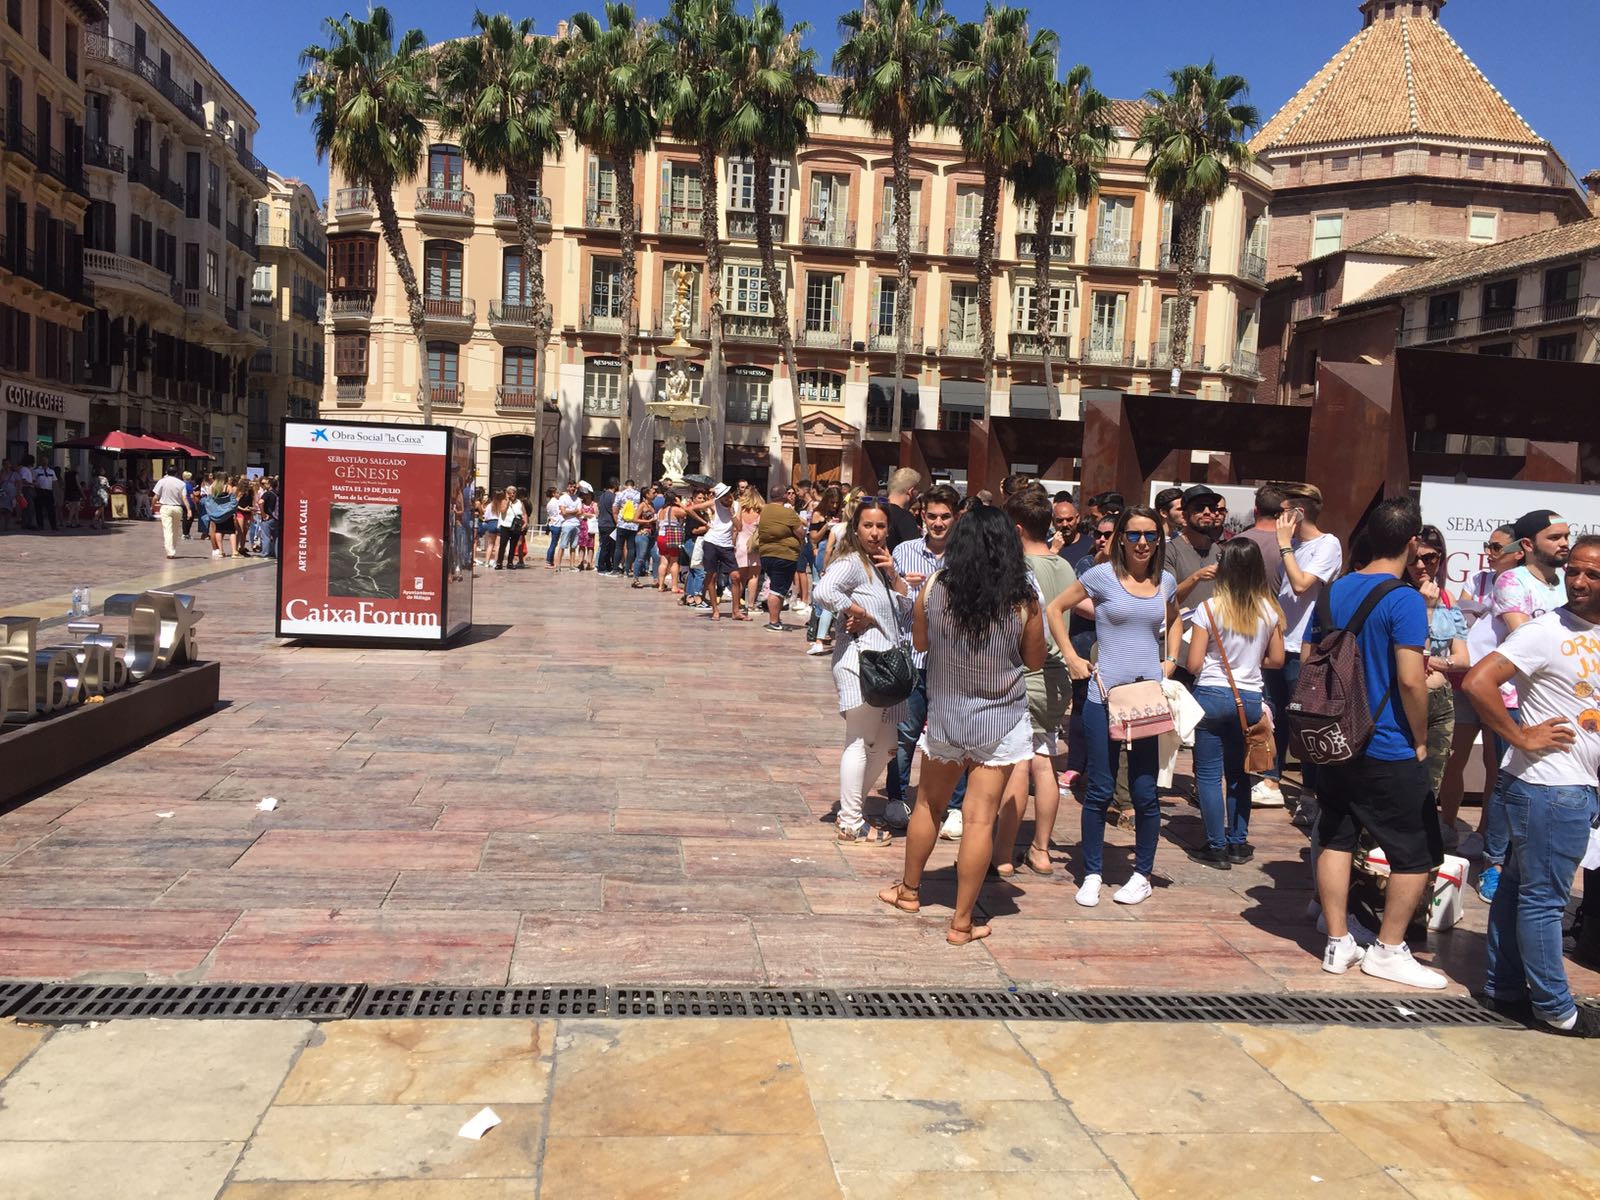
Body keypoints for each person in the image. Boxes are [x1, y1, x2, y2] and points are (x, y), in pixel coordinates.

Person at [880, 503, 1045, 943]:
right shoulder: (1022, 598)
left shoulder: (934, 586)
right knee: (978, 821)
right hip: (1001, 719)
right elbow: (1034, 659)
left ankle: (910, 891)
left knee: (929, 807)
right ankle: (962, 922)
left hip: (948, 717)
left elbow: (919, 641)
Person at [1464, 534, 1600, 1036]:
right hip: (1549, 787)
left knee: (1518, 890)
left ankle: (1504, 988)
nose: (1580, 581)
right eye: (1575, 570)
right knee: (1545, 900)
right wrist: (1518, 734)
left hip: (1567, 787)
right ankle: (1556, 1007)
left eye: (1593, 574)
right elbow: (1479, 681)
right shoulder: (1546, 631)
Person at [1311, 496, 1447, 990]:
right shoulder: (1404, 598)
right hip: (1385, 740)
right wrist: (1419, 737)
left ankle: (1337, 940)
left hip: (1332, 738)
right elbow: (1412, 680)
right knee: (1416, 851)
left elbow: (1310, 657)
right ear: (1413, 543)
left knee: (1337, 834)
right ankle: (1388, 950)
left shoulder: (1333, 591)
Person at [1046, 505, 1182, 907]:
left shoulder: (1165, 581)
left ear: (1160, 540)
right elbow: (1055, 609)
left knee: (1144, 790)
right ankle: (1091, 872)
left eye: (1151, 535)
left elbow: (1174, 619)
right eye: (1135, 534)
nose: (1143, 542)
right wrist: (1070, 655)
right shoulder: (1101, 576)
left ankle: (1142, 874)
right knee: (1100, 788)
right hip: (1101, 694)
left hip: (1144, 699)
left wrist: (1171, 659)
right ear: (1121, 537)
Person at [1479, 508, 1572, 902]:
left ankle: (1529, 865)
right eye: (1555, 537)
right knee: (1509, 783)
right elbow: (1528, 638)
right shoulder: (1511, 581)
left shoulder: (1571, 584)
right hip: (1515, 700)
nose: (1565, 544)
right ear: (1530, 545)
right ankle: (1494, 865)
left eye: (1568, 536)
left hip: (1563, 698)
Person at [814, 498, 913, 847]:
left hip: (884, 666)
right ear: (856, 528)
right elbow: (824, 591)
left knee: (886, 744)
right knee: (859, 739)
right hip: (860, 664)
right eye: (868, 525)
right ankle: (852, 820)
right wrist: (856, 611)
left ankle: (851, 806)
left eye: (881, 526)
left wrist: (894, 577)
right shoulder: (853, 562)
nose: (875, 532)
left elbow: (902, 612)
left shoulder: (879, 566)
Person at [1185, 540, 1286, 868]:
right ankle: (1238, 842)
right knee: (1242, 772)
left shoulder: (1210, 608)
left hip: (1212, 695)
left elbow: (1194, 663)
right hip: (1251, 699)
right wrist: (1251, 662)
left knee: (1210, 775)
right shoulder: (1270, 611)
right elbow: (1278, 659)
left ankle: (1215, 846)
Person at [994, 486, 1075, 877]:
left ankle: (1004, 852)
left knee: (1018, 763)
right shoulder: (1064, 566)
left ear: (1018, 526)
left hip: (1028, 672)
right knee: (1045, 760)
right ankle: (1040, 849)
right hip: (1060, 679)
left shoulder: (1021, 569)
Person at [887, 485, 967, 830]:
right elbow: (886, 599)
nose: (938, 523)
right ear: (922, 516)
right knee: (904, 733)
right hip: (911, 658)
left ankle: (954, 805)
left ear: (957, 517)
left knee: (953, 734)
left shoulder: (966, 554)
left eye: (945, 516)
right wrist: (898, 581)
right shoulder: (903, 552)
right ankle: (896, 798)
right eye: (932, 516)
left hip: (953, 662)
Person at [1260, 482, 1343, 811]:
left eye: (1283, 512)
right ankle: (1271, 779)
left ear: (1299, 512)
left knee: (1306, 722)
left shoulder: (1328, 544)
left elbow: (1302, 583)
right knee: (1275, 716)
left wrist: (1284, 547)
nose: (1278, 519)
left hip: (1306, 646)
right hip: (1281, 641)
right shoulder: (1292, 546)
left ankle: (1311, 793)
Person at [1441, 525, 1523, 840]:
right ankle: (1446, 824)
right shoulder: (1478, 580)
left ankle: (1484, 831)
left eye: (1497, 547)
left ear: (1519, 550)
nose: (1489, 552)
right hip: (1464, 680)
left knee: (1495, 763)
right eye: (1487, 546)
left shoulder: (1522, 585)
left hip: (1501, 687)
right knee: (1454, 756)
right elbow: (1462, 618)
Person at [1408, 525, 1468, 836]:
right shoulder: (1401, 594)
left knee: (1433, 777)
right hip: (1406, 698)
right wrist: (1426, 612)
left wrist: (1433, 661)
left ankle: (1422, 840)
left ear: (1439, 559)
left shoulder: (1447, 598)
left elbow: (1463, 659)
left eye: (1429, 558)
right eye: (1414, 559)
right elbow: (1406, 654)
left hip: (1441, 701)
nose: (1421, 566)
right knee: (1402, 773)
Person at [1166, 484, 1225, 610]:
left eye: (1212, 507)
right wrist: (1196, 577)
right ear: (1185, 515)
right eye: (1199, 508)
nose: (1207, 512)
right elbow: (1166, 598)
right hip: (1182, 628)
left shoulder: (1220, 551)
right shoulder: (1169, 551)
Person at [756, 483, 805, 630]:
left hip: (766, 554)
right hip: (784, 555)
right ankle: (774, 621)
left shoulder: (764, 510)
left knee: (774, 585)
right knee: (777, 589)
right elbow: (801, 532)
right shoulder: (788, 513)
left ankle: (775, 618)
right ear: (784, 496)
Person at [692, 483, 739, 619]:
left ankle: (736, 611)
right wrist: (705, 523)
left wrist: (732, 513)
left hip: (727, 544)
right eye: (724, 496)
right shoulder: (713, 503)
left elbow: (739, 527)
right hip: (711, 542)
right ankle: (715, 609)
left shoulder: (736, 506)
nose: (727, 498)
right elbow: (690, 509)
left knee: (735, 576)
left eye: (728, 495)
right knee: (711, 576)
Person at [1232, 483, 1288, 596]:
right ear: (1283, 513)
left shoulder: (1234, 542)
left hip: (1239, 611)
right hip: (1280, 611)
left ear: (1255, 510)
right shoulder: (1291, 545)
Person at [731, 489, 764, 618]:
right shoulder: (760, 512)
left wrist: (733, 544)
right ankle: (750, 605)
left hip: (740, 545)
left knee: (741, 578)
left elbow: (736, 529)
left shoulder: (741, 510)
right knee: (754, 576)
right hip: (754, 546)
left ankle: (737, 605)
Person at [151, 463, 190, 559]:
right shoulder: (181, 483)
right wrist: (189, 510)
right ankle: (172, 548)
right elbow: (184, 498)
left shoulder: (162, 481)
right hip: (177, 508)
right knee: (175, 530)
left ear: (166, 472)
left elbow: (156, 496)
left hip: (165, 507)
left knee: (167, 529)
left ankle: (170, 551)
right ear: (177, 473)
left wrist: (152, 506)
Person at [883, 467, 922, 550]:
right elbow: (913, 552)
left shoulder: (873, 511)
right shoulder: (905, 518)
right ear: (911, 491)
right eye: (918, 491)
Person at [630, 484, 660, 587]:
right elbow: (634, 519)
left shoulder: (652, 505)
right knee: (641, 556)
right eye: (653, 493)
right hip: (642, 534)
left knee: (656, 556)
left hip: (652, 534)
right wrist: (648, 521)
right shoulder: (642, 505)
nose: (655, 494)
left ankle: (656, 579)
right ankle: (635, 579)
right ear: (646, 495)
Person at [1052, 492, 1093, 564]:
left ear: (1077, 519)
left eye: (1069, 519)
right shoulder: (1046, 546)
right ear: (1053, 522)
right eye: (1060, 520)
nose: (1065, 524)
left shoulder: (1091, 545)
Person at [614, 478, 641, 577]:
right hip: (633, 525)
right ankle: (627, 569)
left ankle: (615, 569)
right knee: (631, 548)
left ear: (625, 485)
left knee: (618, 547)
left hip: (622, 524)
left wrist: (618, 521)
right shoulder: (638, 495)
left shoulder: (620, 494)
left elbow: (615, 509)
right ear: (634, 486)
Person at [552, 481, 582, 571]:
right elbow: (563, 512)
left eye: (574, 487)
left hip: (576, 524)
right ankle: (558, 565)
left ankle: (572, 565)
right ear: (567, 487)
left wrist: (569, 511)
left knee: (573, 546)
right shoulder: (563, 498)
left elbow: (580, 512)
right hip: (567, 524)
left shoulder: (578, 499)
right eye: (571, 487)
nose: (572, 489)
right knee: (562, 545)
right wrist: (574, 511)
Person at [497, 486, 527, 570]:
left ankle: (510, 562)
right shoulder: (504, 501)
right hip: (505, 525)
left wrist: (525, 523)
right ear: (507, 494)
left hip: (516, 526)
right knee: (503, 544)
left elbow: (524, 514)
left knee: (513, 545)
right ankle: (499, 562)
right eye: (510, 493)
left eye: (514, 493)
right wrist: (507, 501)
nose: (512, 495)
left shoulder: (519, 502)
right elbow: (502, 511)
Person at [596, 478, 619, 574]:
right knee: (607, 547)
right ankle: (601, 566)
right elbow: (614, 511)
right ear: (615, 485)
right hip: (609, 524)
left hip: (602, 523)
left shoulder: (602, 495)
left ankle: (608, 565)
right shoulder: (613, 497)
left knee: (606, 546)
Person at [31, 457, 58, 532]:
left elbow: (55, 482)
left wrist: (55, 492)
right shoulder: (36, 471)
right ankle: (40, 525)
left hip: (49, 491)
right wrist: (36, 485)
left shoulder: (51, 471)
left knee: (51, 510)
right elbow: (32, 481)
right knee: (39, 509)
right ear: (40, 461)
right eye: (43, 460)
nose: (45, 462)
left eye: (46, 460)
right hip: (39, 491)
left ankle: (53, 526)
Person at [577, 484, 598, 571]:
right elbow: (579, 513)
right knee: (581, 545)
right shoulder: (581, 503)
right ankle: (580, 562)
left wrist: (585, 515)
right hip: (582, 526)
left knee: (590, 546)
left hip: (590, 527)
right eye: (585, 494)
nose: (587, 495)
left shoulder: (594, 504)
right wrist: (588, 515)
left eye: (588, 494)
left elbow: (596, 515)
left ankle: (589, 563)